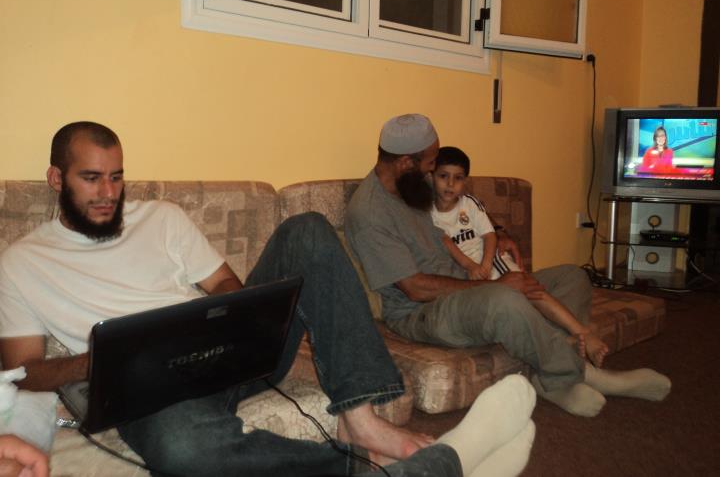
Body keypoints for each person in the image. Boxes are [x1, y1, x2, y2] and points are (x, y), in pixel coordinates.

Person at [0, 121, 538, 477]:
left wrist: (224, 323)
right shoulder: (22, 263)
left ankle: (362, 418)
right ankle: (386, 468)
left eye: (117, 177)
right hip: (150, 396)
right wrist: (98, 360)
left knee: (306, 230)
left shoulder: (161, 217)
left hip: (231, 354)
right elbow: (23, 374)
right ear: (56, 179)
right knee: (184, 450)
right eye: (92, 179)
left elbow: (228, 288)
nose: (108, 193)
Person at [345, 113, 672, 419]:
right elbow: (415, 288)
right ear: (406, 162)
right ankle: (577, 373)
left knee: (571, 277)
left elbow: (464, 208)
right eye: (431, 164)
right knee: (504, 300)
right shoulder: (371, 213)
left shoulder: (411, 185)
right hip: (421, 312)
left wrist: (498, 234)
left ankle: (549, 378)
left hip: (464, 281)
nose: (434, 173)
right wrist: (496, 285)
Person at [431, 146, 609, 367]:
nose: (450, 184)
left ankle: (579, 333)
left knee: (534, 290)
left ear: (464, 181)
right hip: (467, 274)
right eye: (443, 176)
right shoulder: (427, 212)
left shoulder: (470, 203)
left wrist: (485, 264)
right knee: (514, 302)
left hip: (491, 261)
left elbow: (490, 235)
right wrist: (470, 266)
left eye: (457, 178)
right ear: (431, 176)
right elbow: (446, 242)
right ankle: (563, 343)